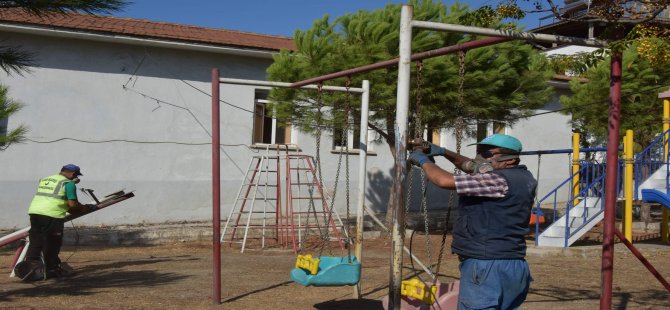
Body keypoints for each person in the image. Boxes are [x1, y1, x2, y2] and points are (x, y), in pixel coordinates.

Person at [408, 134, 537, 310]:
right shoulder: (524, 178)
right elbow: (470, 166)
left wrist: (424, 161)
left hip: (486, 264)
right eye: (479, 151)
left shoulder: (497, 180)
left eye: (486, 153)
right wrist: (443, 152)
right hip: (514, 263)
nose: (480, 157)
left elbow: (443, 181)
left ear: (509, 159)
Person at [22, 164, 96, 280]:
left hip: (35, 212)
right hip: (52, 215)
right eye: (75, 176)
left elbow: (54, 198)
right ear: (73, 174)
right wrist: (85, 208)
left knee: (36, 240)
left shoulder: (46, 179)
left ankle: (30, 267)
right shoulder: (68, 183)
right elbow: (72, 205)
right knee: (53, 242)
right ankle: (52, 269)